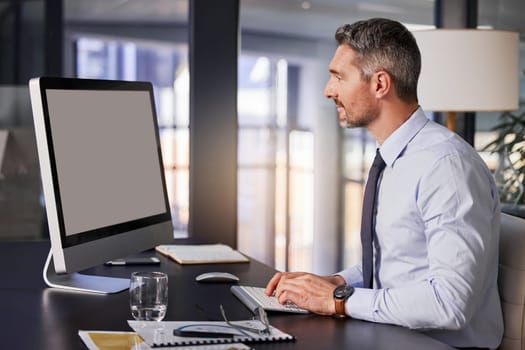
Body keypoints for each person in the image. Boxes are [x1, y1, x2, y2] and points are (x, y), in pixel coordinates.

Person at [265, 18, 503, 350]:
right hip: (390, 336)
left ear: (380, 84)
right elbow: (399, 264)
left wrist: (338, 299)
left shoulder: (445, 166)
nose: (328, 90)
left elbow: (451, 302)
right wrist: (336, 282)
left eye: (338, 77)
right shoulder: (395, 158)